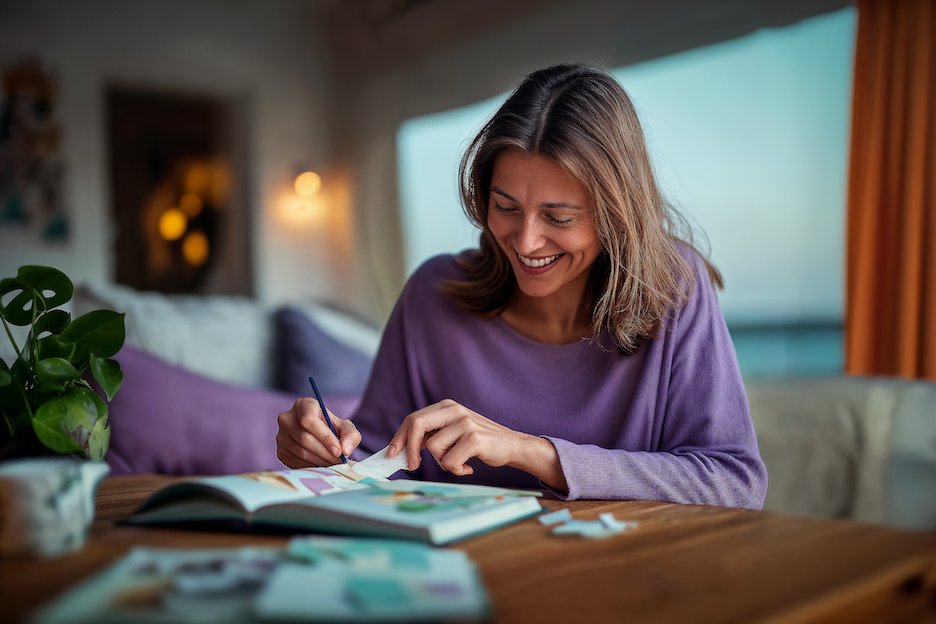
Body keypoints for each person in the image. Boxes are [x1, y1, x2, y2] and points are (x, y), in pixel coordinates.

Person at [276, 62, 768, 509]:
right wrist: (321, 450)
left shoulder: (673, 288)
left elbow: (734, 483)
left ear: (616, 215)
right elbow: (373, 460)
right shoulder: (433, 292)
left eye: (559, 216)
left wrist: (530, 451)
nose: (526, 242)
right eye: (506, 207)